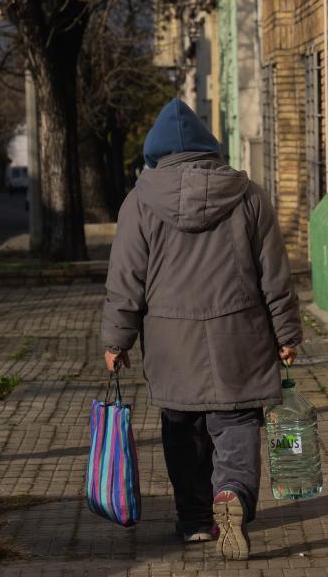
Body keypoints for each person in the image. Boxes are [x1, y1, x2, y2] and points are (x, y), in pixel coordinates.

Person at [101, 98, 302, 560]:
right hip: (241, 335)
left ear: (156, 152)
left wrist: (117, 340)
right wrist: (287, 334)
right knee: (236, 424)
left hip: (173, 345)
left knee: (181, 429)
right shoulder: (249, 195)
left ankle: (194, 520)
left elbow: (125, 279)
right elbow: (274, 273)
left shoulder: (139, 202)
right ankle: (231, 493)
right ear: (210, 147)